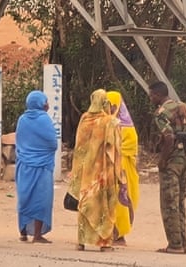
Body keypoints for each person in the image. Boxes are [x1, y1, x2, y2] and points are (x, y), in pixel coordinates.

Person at [148, 81, 186, 254]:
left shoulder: (161, 113)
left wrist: (163, 160)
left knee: (169, 203)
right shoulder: (183, 107)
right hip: (185, 160)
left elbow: (169, 138)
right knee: (180, 203)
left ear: (157, 95)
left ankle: (175, 244)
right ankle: (184, 243)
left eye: (151, 95)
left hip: (172, 162)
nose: (150, 98)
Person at [68, 88, 122, 252]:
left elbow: (78, 147)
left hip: (85, 172)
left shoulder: (84, 119)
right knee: (104, 205)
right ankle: (104, 243)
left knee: (86, 203)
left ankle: (81, 242)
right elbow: (114, 148)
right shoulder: (110, 122)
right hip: (103, 173)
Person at [15, 90, 58, 244]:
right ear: (41, 103)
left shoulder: (22, 119)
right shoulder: (44, 120)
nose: (48, 105)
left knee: (24, 197)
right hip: (42, 166)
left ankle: (23, 232)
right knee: (41, 199)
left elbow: (19, 140)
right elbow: (53, 143)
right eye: (45, 101)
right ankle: (37, 235)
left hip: (24, 164)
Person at [106, 91, 140, 246]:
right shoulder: (110, 122)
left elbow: (129, 148)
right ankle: (112, 232)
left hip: (122, 169)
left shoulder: (124, 126)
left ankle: (119, 235)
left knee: (121, 201)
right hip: (114, 168)